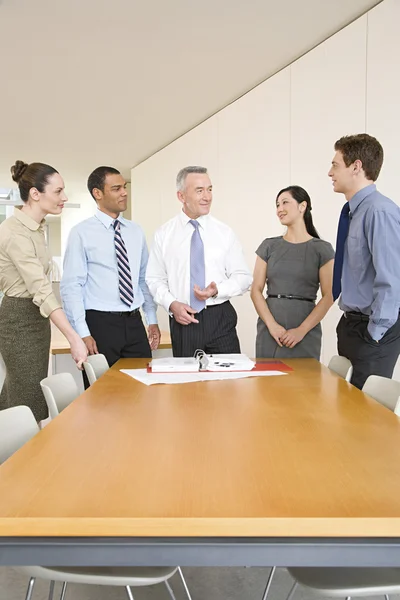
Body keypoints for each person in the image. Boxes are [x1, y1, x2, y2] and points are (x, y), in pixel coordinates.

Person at [0, 161, 87, 423]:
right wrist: (73, 337)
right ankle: (18, 457)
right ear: (36, 194)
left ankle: (12, 452)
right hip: (18, 319)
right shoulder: (14, 233)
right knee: (26, 398)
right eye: (58, 191)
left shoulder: (36, 229)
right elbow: (41, 290)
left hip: (35, 319)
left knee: (21, 390)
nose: (64, 197)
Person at [60, 166, 160, 382]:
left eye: (124, 187)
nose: (124, 192)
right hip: (100, 326)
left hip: (134, 324)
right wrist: (83, 333)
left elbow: (143, 279)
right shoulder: (81, 233)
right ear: (98, 193)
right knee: (101, 399)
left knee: (143, 390)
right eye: (116, 188)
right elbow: (71, 287)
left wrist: (152, 319)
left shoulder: (135, 231)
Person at [146, 166, 252, 357]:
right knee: (188, 385)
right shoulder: (164, 234)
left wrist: (217, 290)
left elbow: (243, 277)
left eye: (210, 189)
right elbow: (154, 279)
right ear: (181, 196)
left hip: (220, 318)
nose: (207, 197)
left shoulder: (224, 233)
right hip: (184, 319)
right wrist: (172, 304)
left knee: (228, 382)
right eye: (199, 190)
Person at [329, 134, 400, 390]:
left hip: (373, 332)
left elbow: (392, 280)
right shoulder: (352, 212)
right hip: (351, 325)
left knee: (366, 418)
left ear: (356, 166)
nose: (330, 172)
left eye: (335, 165)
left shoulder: (379, 212)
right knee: (346, 410)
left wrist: (375, 333)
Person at [251, 186, 334, 359]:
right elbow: (255, 290)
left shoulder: (322, 249)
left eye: (285, 203)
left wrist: (301, 331)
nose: (279, 209)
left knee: (304, 384)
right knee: (267, 383)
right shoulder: (268, 246)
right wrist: (272, 326)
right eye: (277, 205)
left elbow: (329, 295)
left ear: (302, 206)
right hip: (269, 329)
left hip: (305, 330)